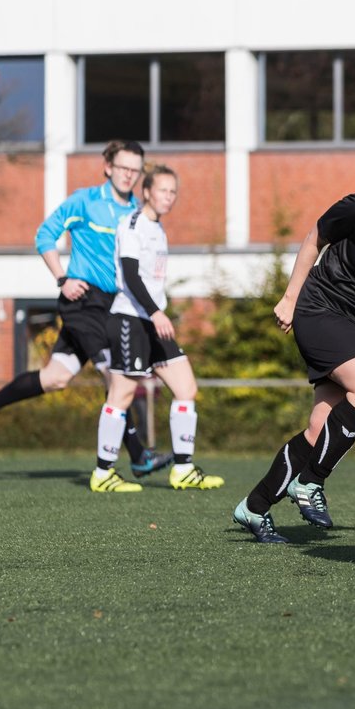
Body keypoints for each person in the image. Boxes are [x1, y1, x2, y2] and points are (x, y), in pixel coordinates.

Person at [232, 136, 355, 543]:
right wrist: (289, 298)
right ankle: (311, 482)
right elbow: (313, 239)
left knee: (320, 429)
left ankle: (253, 507)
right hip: (320, 309)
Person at [0, 140, 170, 479]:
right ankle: (137, 456)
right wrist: (62, 278)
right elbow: (45, 235)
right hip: (82, 302)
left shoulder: (138, 210)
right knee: (114, 374)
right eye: (123, 168)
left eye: (135, 170)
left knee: (55, 378)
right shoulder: (85, 201)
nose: (129, 175)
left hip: (115, 306)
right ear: (108, 167)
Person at [92, 166, 224, 493]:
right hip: (131, 320)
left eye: (173, 192)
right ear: (147, 191)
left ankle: (183, 469)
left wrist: (156, 313)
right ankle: (102, 472)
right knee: (121, 394)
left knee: (185, 388)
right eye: (163, 190)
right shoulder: (132, 224)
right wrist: (155, 311)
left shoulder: (157, 228)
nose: (169, 197)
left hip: (153, 321)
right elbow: (130, 275)